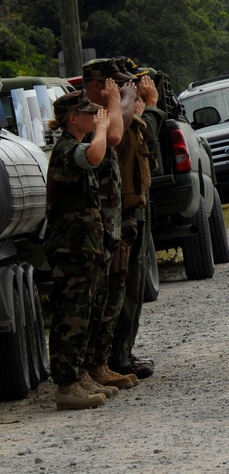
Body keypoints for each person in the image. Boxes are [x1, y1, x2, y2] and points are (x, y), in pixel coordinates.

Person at [44, 92, 113, 410]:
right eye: (88, 114)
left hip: (82, 246)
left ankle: (79, 375)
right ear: (73, 118)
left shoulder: (73, 147)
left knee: (84, 313)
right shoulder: (68, 149)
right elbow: (96, 155)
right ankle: (67, 386)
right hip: (71, 248)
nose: (93, 116)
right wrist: (102, 128)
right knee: (72, 315)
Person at [80, 59, 141, 392]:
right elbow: (116, 134)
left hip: (110, 223)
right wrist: (120, 101)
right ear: (95, 85)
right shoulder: (89, 114)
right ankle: (88, 369)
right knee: (96, 300)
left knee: (111, 297)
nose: (116, 90)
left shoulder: (106, 111)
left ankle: (99, 364)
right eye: (110, 84)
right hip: (95, 226)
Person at [110, 61, 159, 381]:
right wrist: (150, 106)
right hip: (126, 216)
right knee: (125, 290)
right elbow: (147, 134)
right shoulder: (118, 122)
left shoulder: (126, 120)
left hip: (136, 209)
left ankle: (123, 351)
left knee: (134, 285)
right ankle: (118, 356)